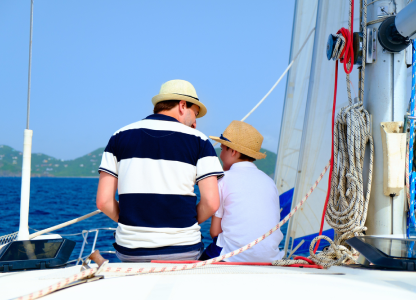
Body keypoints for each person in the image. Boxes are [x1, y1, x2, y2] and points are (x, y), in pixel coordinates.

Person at [96, 79, 224, 262]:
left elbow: (103, 202)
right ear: (182, 105)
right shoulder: (199, 140)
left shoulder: (118, 137)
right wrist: (181, 227)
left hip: (131, 249)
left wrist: (133, 224)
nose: (195, 123)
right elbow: (211, 203)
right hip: (183, 248)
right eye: (195, 114)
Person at [200, 120, 284, 262]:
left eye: (222, 149)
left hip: (234, 255)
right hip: (270, 257)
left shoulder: (223, 179)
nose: (219, 155)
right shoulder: (269, 182)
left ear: (233, 151)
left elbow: (214, 232)